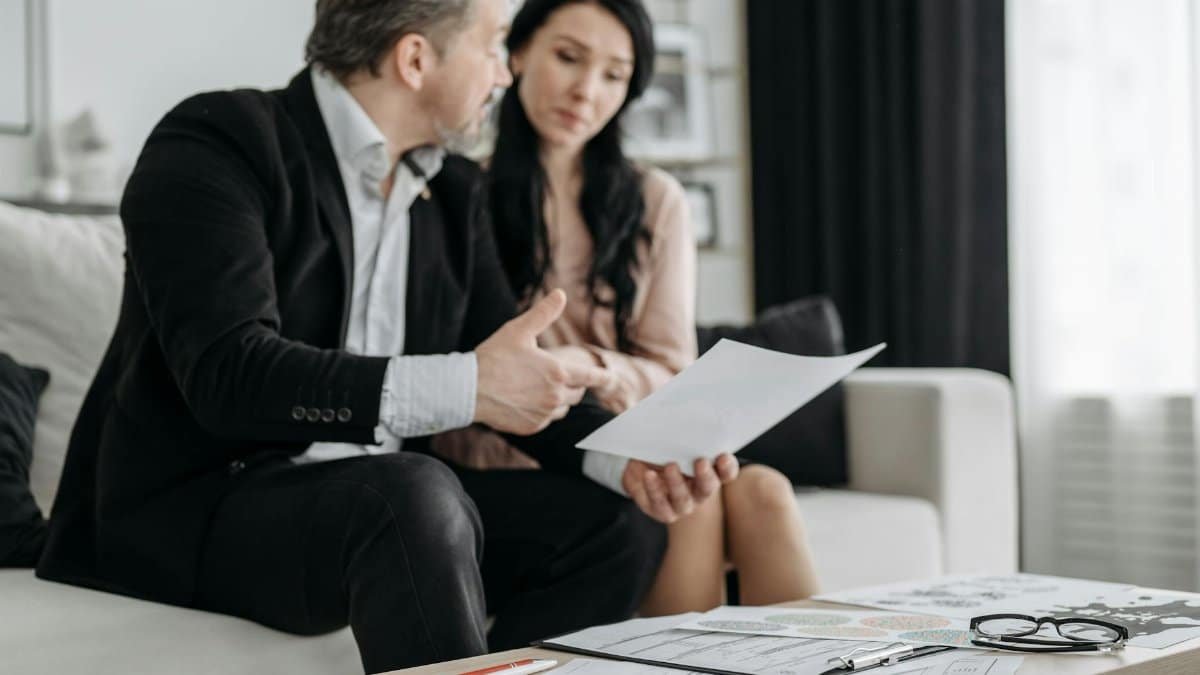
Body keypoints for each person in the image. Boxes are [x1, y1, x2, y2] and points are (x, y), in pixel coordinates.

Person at [36, 1, 739, 672]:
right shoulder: (220, 141)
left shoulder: (456, 192)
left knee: (618, 524)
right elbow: (231, 374)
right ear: (414, 58)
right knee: (408, 494)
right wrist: (469, 385)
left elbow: (515, 374)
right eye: (492, 46)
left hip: (382, 509)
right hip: (198, 511)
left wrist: (629, 462)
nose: (503, 72)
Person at [435, 0, 820, 614]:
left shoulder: (653, 200)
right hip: (511, 461)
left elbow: (671, 369)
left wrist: (583, 365)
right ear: (518, 53)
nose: (586, 90)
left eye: (614, 75)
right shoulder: (459, 196)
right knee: (692, 502)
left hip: (633, 438)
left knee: (764, 491)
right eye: (568, 58)